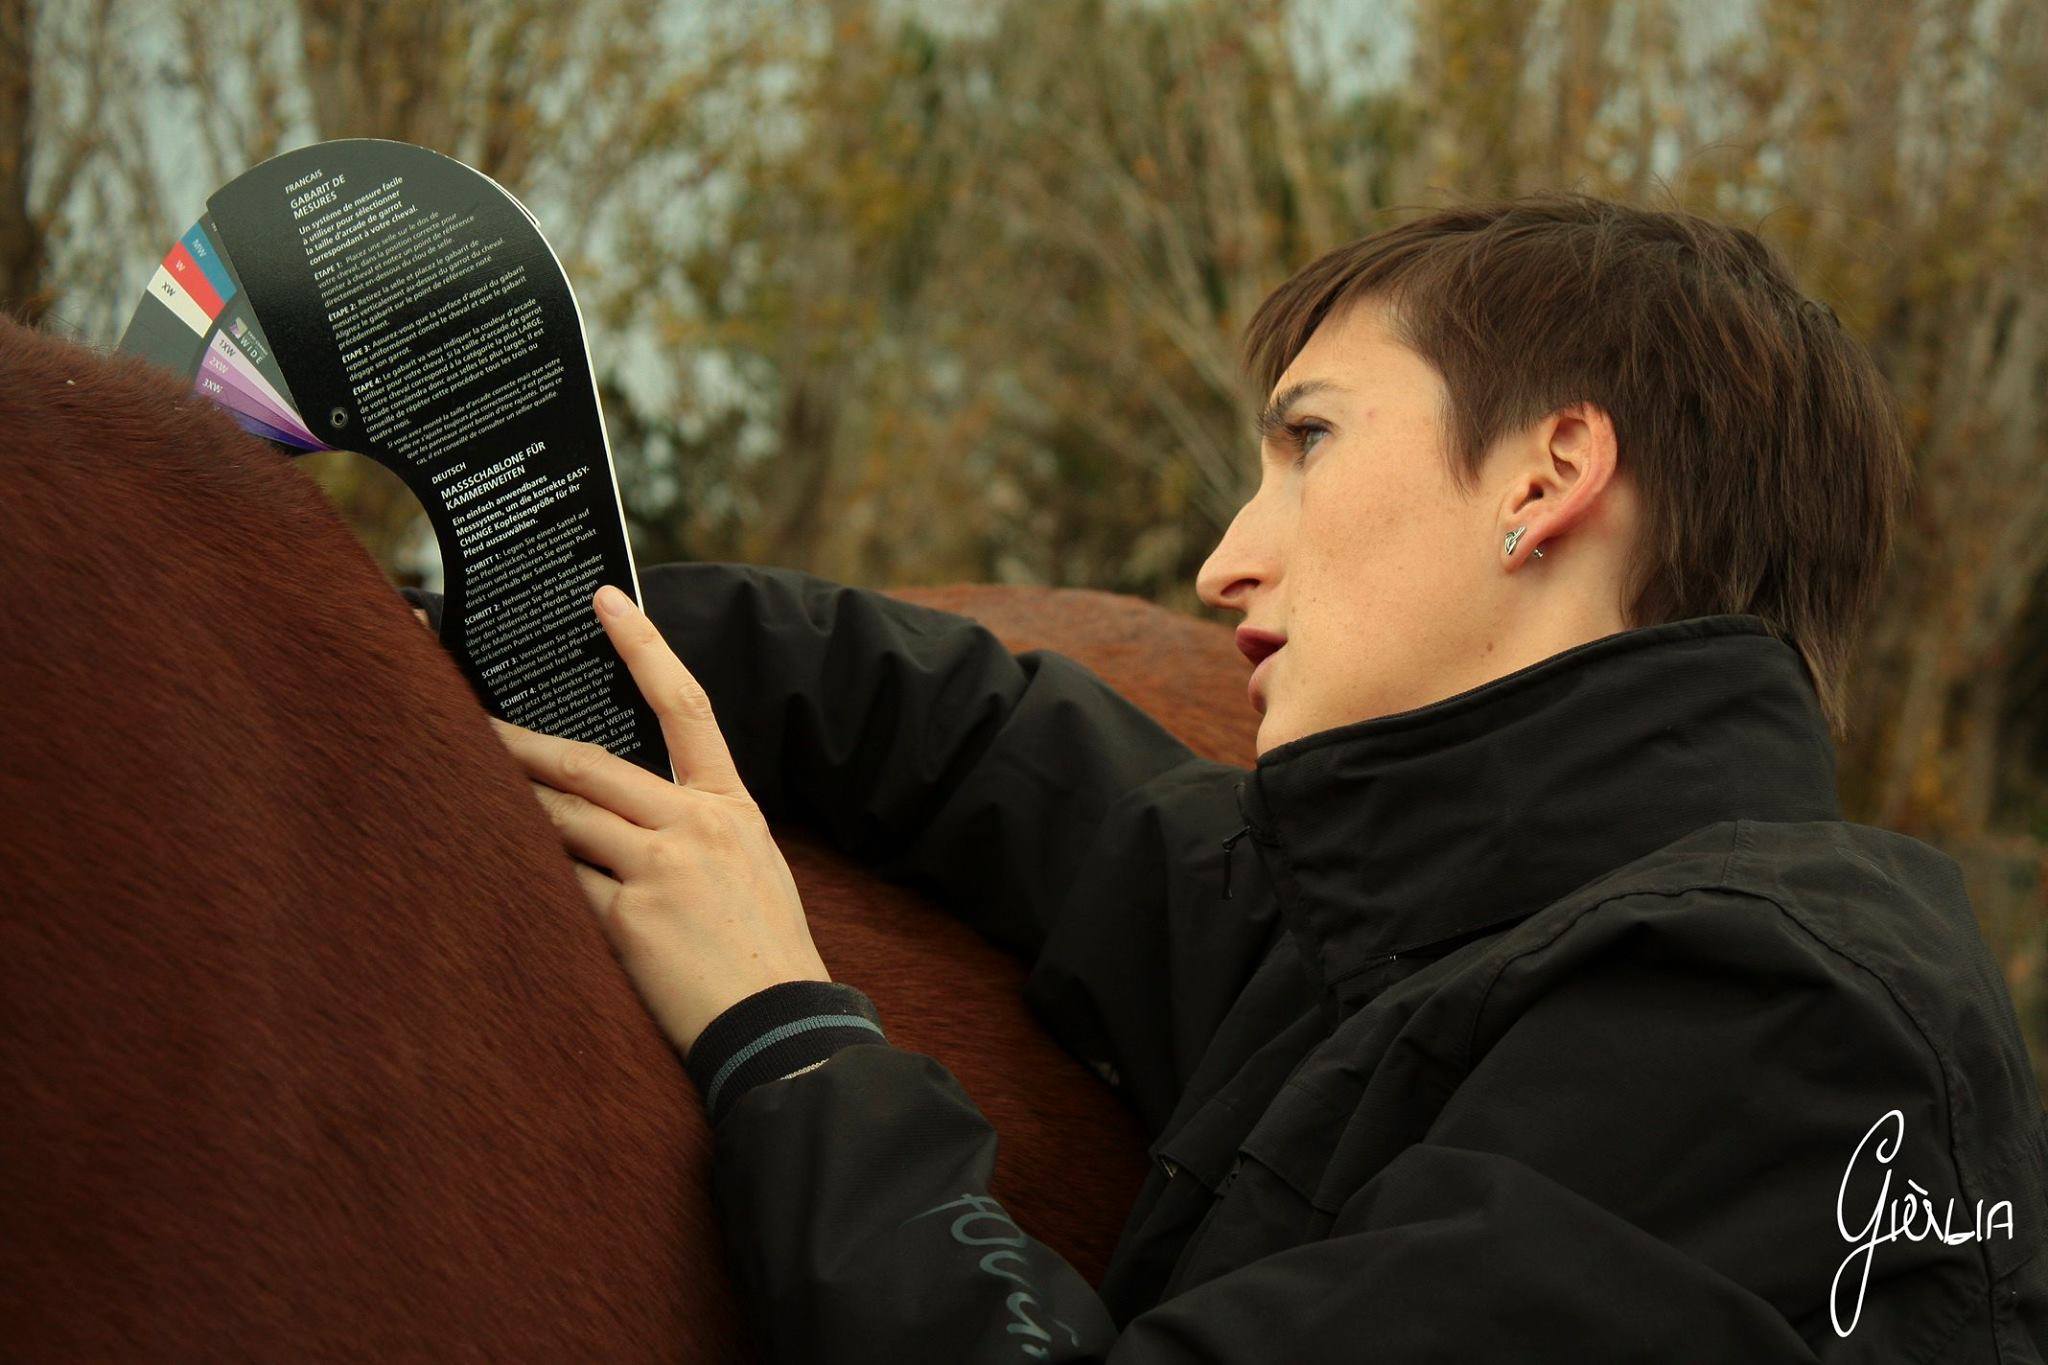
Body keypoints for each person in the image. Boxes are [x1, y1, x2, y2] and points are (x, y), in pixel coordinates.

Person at [406, 192, 2047, 1361]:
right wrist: (508, 622)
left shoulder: (1772, 1026)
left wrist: (785, 1031)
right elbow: (991, 746)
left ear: (1549, 475)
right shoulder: (1412, 928)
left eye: (1309, 442)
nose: (1222, 563)